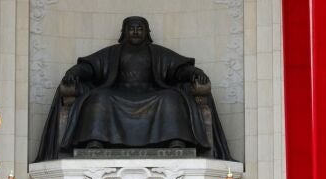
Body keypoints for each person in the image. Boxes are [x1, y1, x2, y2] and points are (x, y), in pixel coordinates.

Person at [35, 16, 233, 161]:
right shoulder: (112, 53)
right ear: (124, 32)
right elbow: (90, 67)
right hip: (117, 93)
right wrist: (74, 73)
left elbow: (179, 69)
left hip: (152, 93)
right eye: (132, 28)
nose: (136, 31)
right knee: (99, 98)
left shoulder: (157, 53)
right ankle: (95, 140)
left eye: (140, 28)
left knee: (171, 98)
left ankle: (175, 140)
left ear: (147, 33)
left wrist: (193, 73)